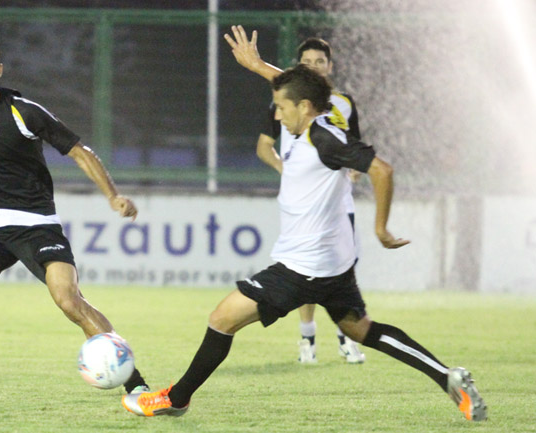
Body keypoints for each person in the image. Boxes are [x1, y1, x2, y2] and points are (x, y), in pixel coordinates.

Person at [121, 64, 487, 422]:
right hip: (331, 266)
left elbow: (382, 170)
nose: (277, 115)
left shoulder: (324, 138)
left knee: (222, 319)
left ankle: (175, 399)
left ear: (305, 107)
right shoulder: (310, 124)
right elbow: (297, 87)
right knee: (361, 329)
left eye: (282, 107)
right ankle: (448, 377)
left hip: (303, 268)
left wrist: (381, 229)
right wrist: (257, 66)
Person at [0, 37, 149, 397]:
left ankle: (137, 385)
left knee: (68, 300)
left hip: (37, 223)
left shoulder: (23, 112)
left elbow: (79, 151)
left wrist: (113, 195)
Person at [233, 28, 365, 364]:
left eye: (320, 61)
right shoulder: (285, 104)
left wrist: (354, 168)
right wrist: (285, 169)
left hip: (339, 200)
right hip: (304, 202)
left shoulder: (344, 104)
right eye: (307, 61)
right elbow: (264, 146)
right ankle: (308, 338)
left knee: (342, 270)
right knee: (305, 269)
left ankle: (348, 338)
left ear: (330, 66)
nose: (314, 66)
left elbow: (357, 150)